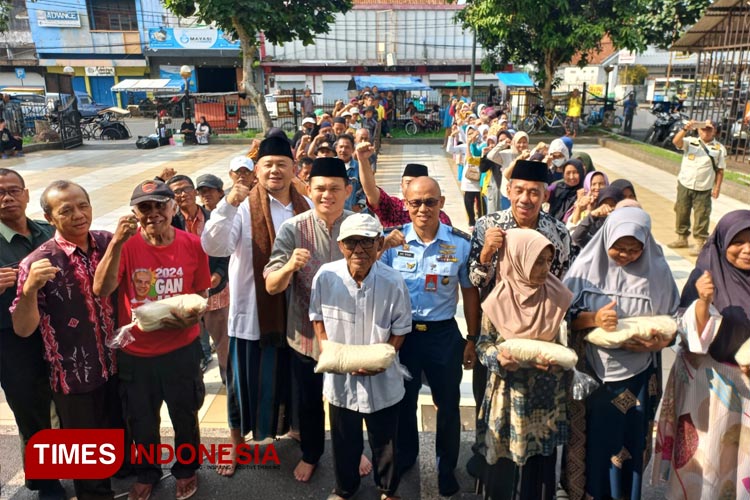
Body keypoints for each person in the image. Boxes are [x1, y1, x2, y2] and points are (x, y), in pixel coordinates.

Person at [201, 136, 312, 476]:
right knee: (241, 384)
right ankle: (237, 444)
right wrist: (227, 205)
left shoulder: (305, 203)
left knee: (298, 380)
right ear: (256, 171)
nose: (275, 170)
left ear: (294, 168)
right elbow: (213, 245)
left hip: (298, 314)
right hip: (252, 316)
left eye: (282, 163)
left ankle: (296, 429)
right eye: (268, 164)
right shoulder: (242, 206)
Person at [93, 179, 211, 500]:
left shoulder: (191, 244)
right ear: (135, 212)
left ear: (173, 207)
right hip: (138, 354)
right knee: (141, 421)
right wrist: (117, 242)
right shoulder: (127, 246)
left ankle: (186, 470)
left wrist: (191, 315)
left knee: (184, 414)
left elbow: (201, 294)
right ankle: (147, 473)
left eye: (161, 205)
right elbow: (101, 289)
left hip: (181, 350)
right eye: (145, 207)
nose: (154, 213)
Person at [265, 157, 374, 483]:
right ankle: (311, 454)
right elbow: (272, 285)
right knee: (310, 403)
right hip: (306, 338)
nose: (327, 195)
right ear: (309, 190)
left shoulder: (361, 225)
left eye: (335, 189)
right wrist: (288, 267)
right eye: (320, 189)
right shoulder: (293, 228)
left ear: (348, 190)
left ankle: (353, 452)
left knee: (352, 402)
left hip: (351, 339)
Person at [12, 180, 121, 500]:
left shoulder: (106, 241)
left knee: (115, 435)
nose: (78, 215)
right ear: (49, 216)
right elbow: (23, 328)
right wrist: (30, 289)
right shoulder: (37, 262)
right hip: (74, 375)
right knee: (87, 453)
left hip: (116, 363)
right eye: (66, 210)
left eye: (83, 205)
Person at [467, 159, 573, 483]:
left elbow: (560, 285)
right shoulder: (489, 225)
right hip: (497, 326)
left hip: (542, 328)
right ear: (509, 190)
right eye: (520, 190)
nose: (526, 198)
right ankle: (486, 467)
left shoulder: (558, 232)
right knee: (490, 397)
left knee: (537, 409)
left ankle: (534, 477)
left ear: (544, 196)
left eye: (534, 192)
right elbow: (474, 279)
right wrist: (486, 253)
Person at [563, 207, 680, 500]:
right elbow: (562, 317)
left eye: (634, 249)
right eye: (618, 248)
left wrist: (659, 342)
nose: (626, 256)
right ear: (605, 241)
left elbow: (673, 323)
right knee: (596, 440)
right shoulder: (585, 270)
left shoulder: (659, 272)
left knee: (629, 442)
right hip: (594, 373)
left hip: (639, 375)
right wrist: (594, 319)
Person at [381, 176, 481, 497]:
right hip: (403, 336)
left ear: (441, 203)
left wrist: (472, 337)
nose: (423, 208)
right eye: (416, 202)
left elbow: (469, 293)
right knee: (403, 401)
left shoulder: (460, 244)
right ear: (406, 204)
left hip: (443, 335)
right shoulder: (392, 243)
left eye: (430, 201)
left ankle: (446, 467)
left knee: (448, 405)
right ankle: (407, 455)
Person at [310, 213, 411, 500]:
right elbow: (317, 318)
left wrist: (383, 358)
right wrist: (333, 353)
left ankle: (388, 490)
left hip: (383, 379)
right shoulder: (326, 276)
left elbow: (401, 328)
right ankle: (345, 488)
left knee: (386, 441)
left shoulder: (393, 281)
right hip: (340, 379)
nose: (359, 250)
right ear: (340, 245)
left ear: (380, 244)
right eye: (351, 243)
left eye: (367, 243)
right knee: (344, 440)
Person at [653, 210, 750, 499]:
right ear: (722, 243)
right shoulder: (704, 275)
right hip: (707, 391)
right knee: (706, 469)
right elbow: (686, 335)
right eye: (739, 242)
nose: (747, 250)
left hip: (746, 391)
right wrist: (703, 302)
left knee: (740, 466)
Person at [477, 229, 574, 499]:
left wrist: (557, 362)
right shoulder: (498, 300)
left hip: (545, 401)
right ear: (518, 260)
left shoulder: (559, 297)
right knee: (503, 469)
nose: (544, 269)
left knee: (539, 471)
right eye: (536, 262)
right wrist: (499, 358)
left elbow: (568, 348)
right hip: (509, 398)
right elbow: (483, 346)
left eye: (547, 261)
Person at [0, 168, 65, 499]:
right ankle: (46, 482)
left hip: (57, 332)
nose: (8, 198)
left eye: (14, 190)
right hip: (13, 343)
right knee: (31, 408)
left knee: (66, 404)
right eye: (0, 193)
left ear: (26, 194)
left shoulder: (47, 232)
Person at [167, 174, 227, 375]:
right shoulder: (170, 224)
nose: (183, 194)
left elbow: (226, 250)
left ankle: (230, 383)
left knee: (223, 342)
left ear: (195, 192)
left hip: (215, 288)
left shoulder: (213, 218)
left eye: (186, 189)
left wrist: (219, 273)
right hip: (185, 292)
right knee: (193, 337)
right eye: (177, 191)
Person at [668, 119, 726, 256]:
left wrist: (717, 188)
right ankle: (682, 238)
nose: (706, 132)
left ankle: (700, 242)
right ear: (698, 130)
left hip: (704, 187)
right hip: (685, 183)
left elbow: (720, 171)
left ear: (715, 131)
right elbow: (676, 142)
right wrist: (685, 129)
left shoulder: (719, 149)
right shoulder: (690, 141)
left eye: (709, 129)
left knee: (702, 215)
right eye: (703, 129)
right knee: (681, 211)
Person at [358, 158, 451, 228]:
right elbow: (371, 191)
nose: (413, 187)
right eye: (408, 183)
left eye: (417, 183)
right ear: (401, 185)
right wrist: (362, 159)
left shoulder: (440, 216)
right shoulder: (394, 208)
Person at [570, 184, 625, 249]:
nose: (607, 209)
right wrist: (592, 215)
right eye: (604, 206)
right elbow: (576, 238)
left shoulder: (624, 228)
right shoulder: (592, 227)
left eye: (613, 205)